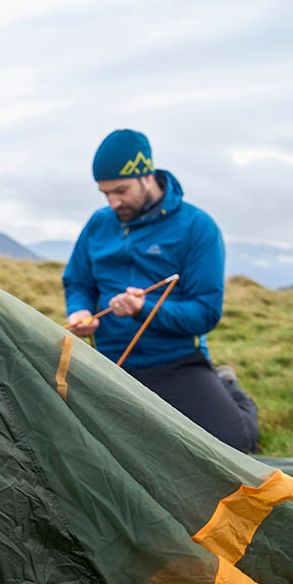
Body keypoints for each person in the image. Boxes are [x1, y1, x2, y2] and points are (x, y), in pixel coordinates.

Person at [63, 129, 259, 452]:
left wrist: (144, 309)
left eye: (121, 191)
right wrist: (80, 311)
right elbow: (78, 282)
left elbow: (205, 313)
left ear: (146, 175)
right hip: (111, 362)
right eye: (105, 193)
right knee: (80, 443)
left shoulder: (197, 228)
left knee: (233, 445)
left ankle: (228, 386)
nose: (113, 202)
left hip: (175, 361)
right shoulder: (98, 224)